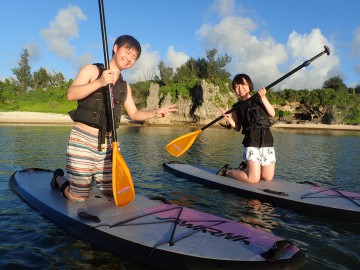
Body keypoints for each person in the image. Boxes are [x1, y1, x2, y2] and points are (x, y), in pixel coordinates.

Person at [51, 35, 178, 201]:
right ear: (115, 48)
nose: (129, 59)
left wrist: (155, 112)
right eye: (127, 52)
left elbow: (134, 114)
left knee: (116, 192)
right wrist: (99, 82)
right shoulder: (92, 70)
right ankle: (59, 178)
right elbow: (71, 94)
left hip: (110, 145)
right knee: (78, 197)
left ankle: (88, 183)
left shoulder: (125, 87)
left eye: (134, 57)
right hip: (83, 139)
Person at [217, 73, 275, 184]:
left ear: (249, 85)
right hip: (251, 140)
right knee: (253, 179)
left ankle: (246, 167)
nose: (240, 88)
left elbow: (272, 113)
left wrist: (263, 97)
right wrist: (229, 119)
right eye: (236, 86)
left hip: (267, 139)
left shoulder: (259, 98)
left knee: (267, 177)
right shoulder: (236, 107)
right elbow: (238, 128)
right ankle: (228, 171)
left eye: (242, 85)